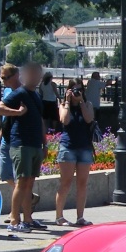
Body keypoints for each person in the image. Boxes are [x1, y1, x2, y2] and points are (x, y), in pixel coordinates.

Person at [1, 63, 47, 232]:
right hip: (21, 143)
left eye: (38, 74)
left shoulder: (35, 95)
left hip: (35, 144)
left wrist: (45, 143)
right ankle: (14, 220)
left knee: (29, 184)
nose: (35, 77)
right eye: (32, 74)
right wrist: (18, 113)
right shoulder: (18, 93)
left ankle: (28, 219)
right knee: (21, 183)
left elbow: (40, 121)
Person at [54, 79, 96, 227]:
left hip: (84, 147)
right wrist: (67, 102)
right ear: (68, 91)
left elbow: (89, 118)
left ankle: (80, 217)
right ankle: (59, 216)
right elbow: (64, 120)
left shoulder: (87, 104)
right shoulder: (63, 105)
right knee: (65, 183)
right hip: (68, 147)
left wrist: (81, 102)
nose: (77, 92)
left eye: (80, 90)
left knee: (82, 183)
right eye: (74, 90)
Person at [0, 63, 19, 182]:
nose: (4, 80)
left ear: (16, 76)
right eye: (2, 78)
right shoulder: (6, 91)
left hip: (18, 138)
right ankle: (26, 196)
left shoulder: (23, 92)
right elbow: (4, 116)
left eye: (6, 77)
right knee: (4, 174)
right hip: (5, 137)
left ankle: (23, 196)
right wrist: (0, 135)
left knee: (18, 176)